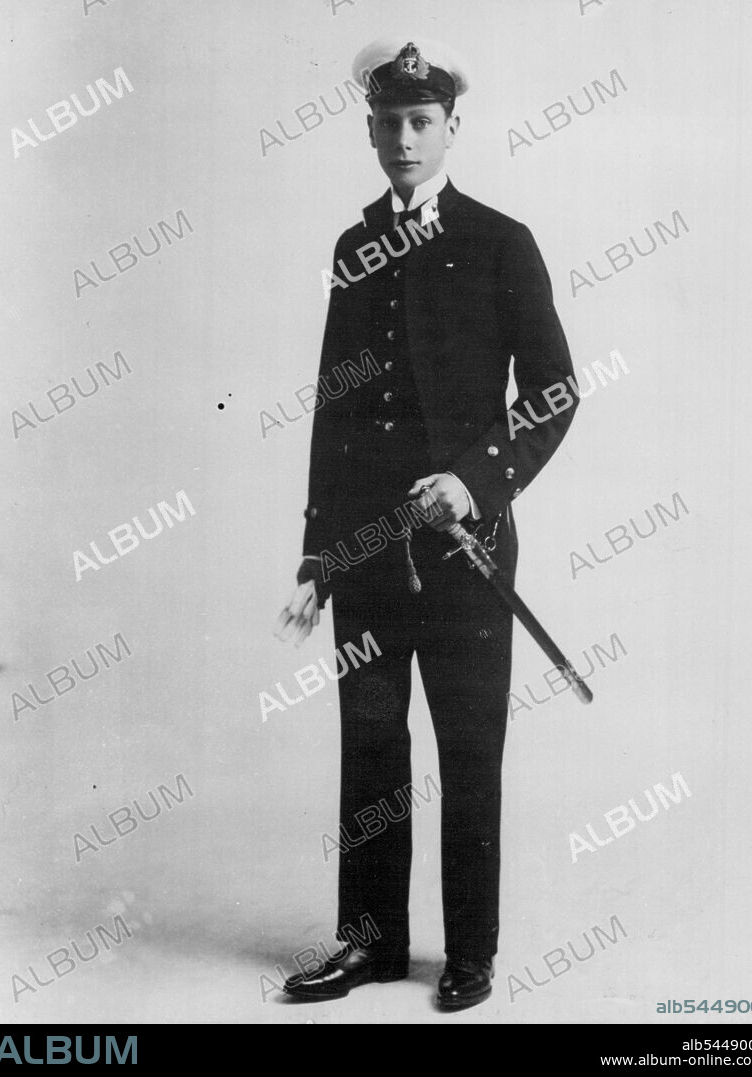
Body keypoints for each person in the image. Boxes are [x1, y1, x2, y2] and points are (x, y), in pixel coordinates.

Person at [274, 36, 579, 1011]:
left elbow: (554, 391)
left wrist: (476, 482)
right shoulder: (354, 245)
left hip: (465, 551)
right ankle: (368, 945)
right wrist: (318, 557)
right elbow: (334, 407)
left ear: (452, 127)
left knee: (468, 751)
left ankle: (470, 954)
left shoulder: (500, 241)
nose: (403, 139)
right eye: (388, 123)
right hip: (367, 555)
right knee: (370, 746)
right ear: (369, 129)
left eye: (421, 122)